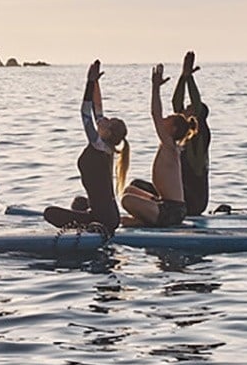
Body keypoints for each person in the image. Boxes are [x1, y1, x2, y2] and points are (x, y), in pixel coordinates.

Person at [43, 59, 129, 234]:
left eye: (108, 121)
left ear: (109, 133)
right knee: (79, 202)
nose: (104, 119)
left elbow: (85, 112)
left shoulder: (98, 144)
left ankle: (87, 225)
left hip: (103, 219)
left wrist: (89, 83)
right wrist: (96, 81)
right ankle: (85, 219)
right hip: (109, 214)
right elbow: (98, 108)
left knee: (49, 213)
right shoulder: (105, 146)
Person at [121, 64, 198, 227]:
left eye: (168, 118)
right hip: (166, 205)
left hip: (172, 211)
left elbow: (155, 114)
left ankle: (142, 223)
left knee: (126, 200)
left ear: (173, 129)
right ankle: (142, 220)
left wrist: (155, 87)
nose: (164, 119)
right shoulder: (169, 144)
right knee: (129, 191)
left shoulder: (169, 144)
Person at [173, 50, 211, 216]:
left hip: (194, 201)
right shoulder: (182, 133)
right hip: (180, 197)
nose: (186, 109)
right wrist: (182, 76)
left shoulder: (201, 134)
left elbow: (196, 102)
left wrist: (189, 78)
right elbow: (176, 102)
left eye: (190, 109)